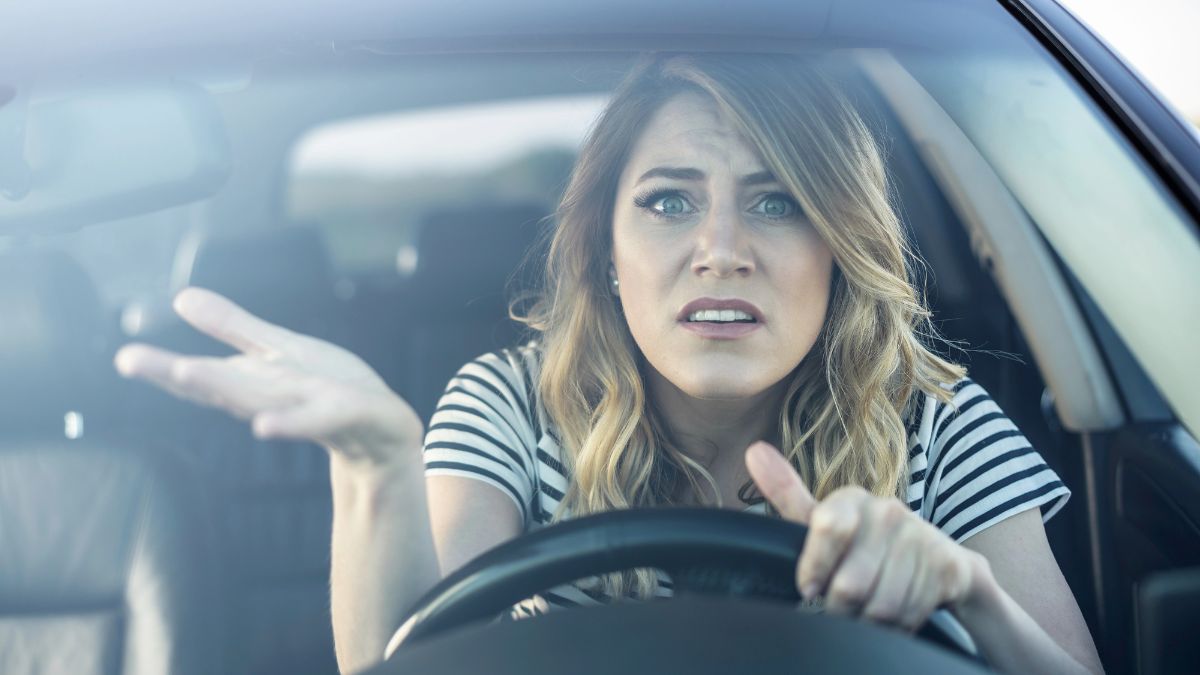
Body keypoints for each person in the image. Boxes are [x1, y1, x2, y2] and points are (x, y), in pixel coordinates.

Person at [114, 54, 1103, 674]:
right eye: (670, 201)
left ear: (838, 249)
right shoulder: (509, 401)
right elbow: (405, 664)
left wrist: (964, 593)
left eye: (778, 201)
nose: (721, 247)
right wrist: (376, 470)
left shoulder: (935, 415)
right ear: (605, 256)